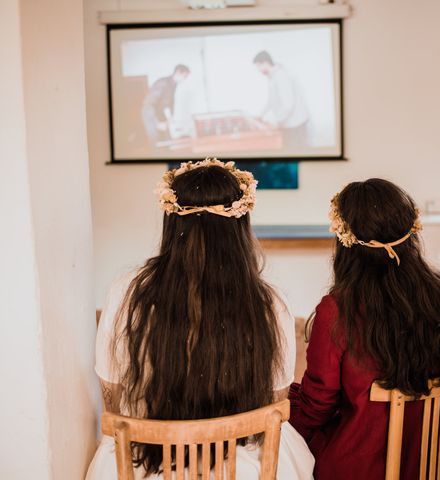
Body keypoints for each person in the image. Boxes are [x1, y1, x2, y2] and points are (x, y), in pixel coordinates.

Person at [85, 159, 314, 479]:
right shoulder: (271, 303)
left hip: (148, 464)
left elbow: (111, 393)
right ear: (240, 225)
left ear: (171, 222)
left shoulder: (126, 293)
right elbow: (275, 405)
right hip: (244, 468)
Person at [288, 178, 440, 479]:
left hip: (365, 466)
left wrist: (284, 411)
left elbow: (317, 406)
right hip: (439, 456)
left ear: (345, 241)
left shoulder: (337, 310)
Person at [253, 51, 309, 149]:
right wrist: (261, 114)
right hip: (288, 124)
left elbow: (287, 105)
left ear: (265, 62)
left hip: (295, 124)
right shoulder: (272, 76)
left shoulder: (281, 76)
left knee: (295, 152)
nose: (258, 70)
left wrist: (276, 121)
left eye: (258, 66)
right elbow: (272, 100)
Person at [141, 64, 190, 147]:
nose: (184, 80)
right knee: (156, 145)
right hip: (150, 116)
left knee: (168, 142)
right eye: (184, 76)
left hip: (159, 115)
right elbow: (148, 104)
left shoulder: (173, 85)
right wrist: (157, 122)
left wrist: (170, 119)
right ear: (178, 72)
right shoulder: (163, 83)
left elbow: (166, 104)